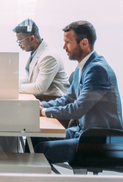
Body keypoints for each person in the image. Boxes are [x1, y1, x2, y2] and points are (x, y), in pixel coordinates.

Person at [32, 21, 123, 164]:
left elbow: (78, 109)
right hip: (84, 133)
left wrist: (45, 112)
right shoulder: (81, 69)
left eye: (68, 42)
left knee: (44, 149)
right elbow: (68, 99)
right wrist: (41, 106)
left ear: (84, 43)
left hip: (101, 139)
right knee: (34, 137)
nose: (64, 47)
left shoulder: (98, 70)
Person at [13, 19, 69, 101]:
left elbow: (39, 88)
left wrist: (13, 88)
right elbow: (28, 78)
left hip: (53, 101)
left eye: (20, 41)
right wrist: (11, 83)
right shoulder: (36, 52)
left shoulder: (49, 57)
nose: (19, 44)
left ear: (32, 38)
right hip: (43, 98)